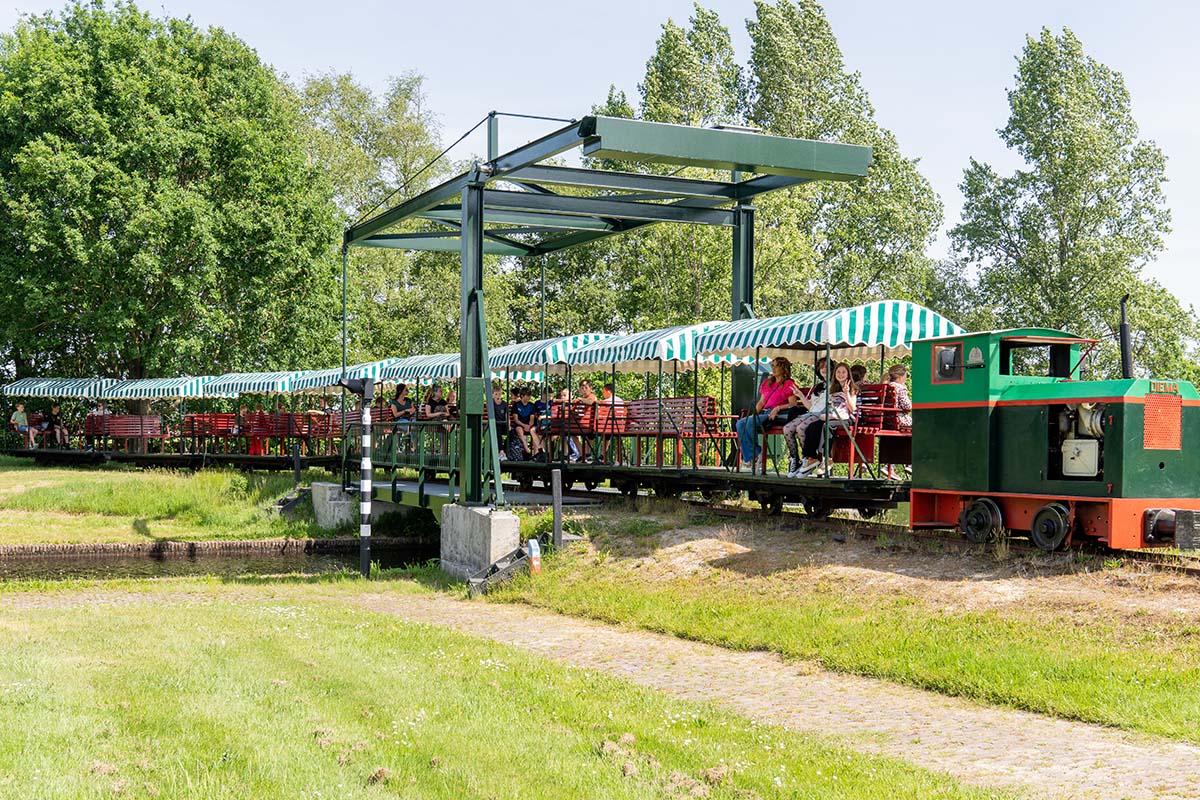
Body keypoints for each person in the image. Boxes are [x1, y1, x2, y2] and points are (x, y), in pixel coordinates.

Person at [795, 362, 858, 478]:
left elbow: (852, 408)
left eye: (843, 372)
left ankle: (827, 458)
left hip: (845, 418)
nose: (841, 374)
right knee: (812, 427)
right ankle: (811, 457)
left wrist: (846, 393)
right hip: (832, 416)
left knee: (826, 426)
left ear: (848, 374)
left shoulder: (852, 388)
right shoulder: (833, 388)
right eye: (838, 372)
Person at [735, 357, 796, 470]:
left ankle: (753, 457)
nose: (773, 368)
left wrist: (778, 408)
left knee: (748, 423)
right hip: (765, 413)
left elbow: (793, 404)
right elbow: (761, 402)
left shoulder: (788, 384)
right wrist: (753, 415)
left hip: (777, 415)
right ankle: (753, 455)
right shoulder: (768, 382)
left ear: (783, 368)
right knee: (740, 424)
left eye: (776, 365)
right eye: (772, 365)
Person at [783, 359, 833, 476]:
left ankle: (809, 458)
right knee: (787, 428)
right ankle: (795, 459)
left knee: (801, 428)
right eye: (822, 367)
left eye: (827, 367)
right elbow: (810, 406)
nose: (824, 369)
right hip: (812, 413)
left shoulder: (834, 386)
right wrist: (800, 395)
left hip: (822, 414)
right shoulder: (818, 387)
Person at [509, 387, 542, 459]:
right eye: (527, 395)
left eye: (529, 395)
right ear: (522, 396)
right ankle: (527, 450)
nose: (529, 397)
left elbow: (532, 419)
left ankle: (537, 453)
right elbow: (516, 419)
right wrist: (524, 425)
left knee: (533, 430)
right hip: (520, 425)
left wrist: (529, 426)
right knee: (519, 430)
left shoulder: (531, 406)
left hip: (530, 425)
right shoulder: (516, 405)